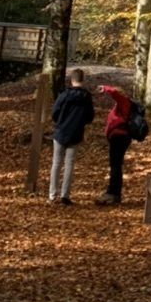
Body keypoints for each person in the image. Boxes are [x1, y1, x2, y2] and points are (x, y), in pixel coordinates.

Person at [49, 68, 94, 205]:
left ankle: (52, 194)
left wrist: (59, 122)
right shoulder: (86, 97)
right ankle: (65, 195)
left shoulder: (64, 95)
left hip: (61, 132)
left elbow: (55, 112)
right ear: (82, 80)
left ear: (71, 79)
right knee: (69, 164)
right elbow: (90, 116)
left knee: (56, 163)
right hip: (76, 133)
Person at [96, 83, 134, 205]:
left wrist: (105, 88)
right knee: (115, 165)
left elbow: (115, 94)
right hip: (116, 138)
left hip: (119, 137)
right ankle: (113, 192)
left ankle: (113, 193)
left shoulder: (124, 102)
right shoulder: (120, 105)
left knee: (115, 166)